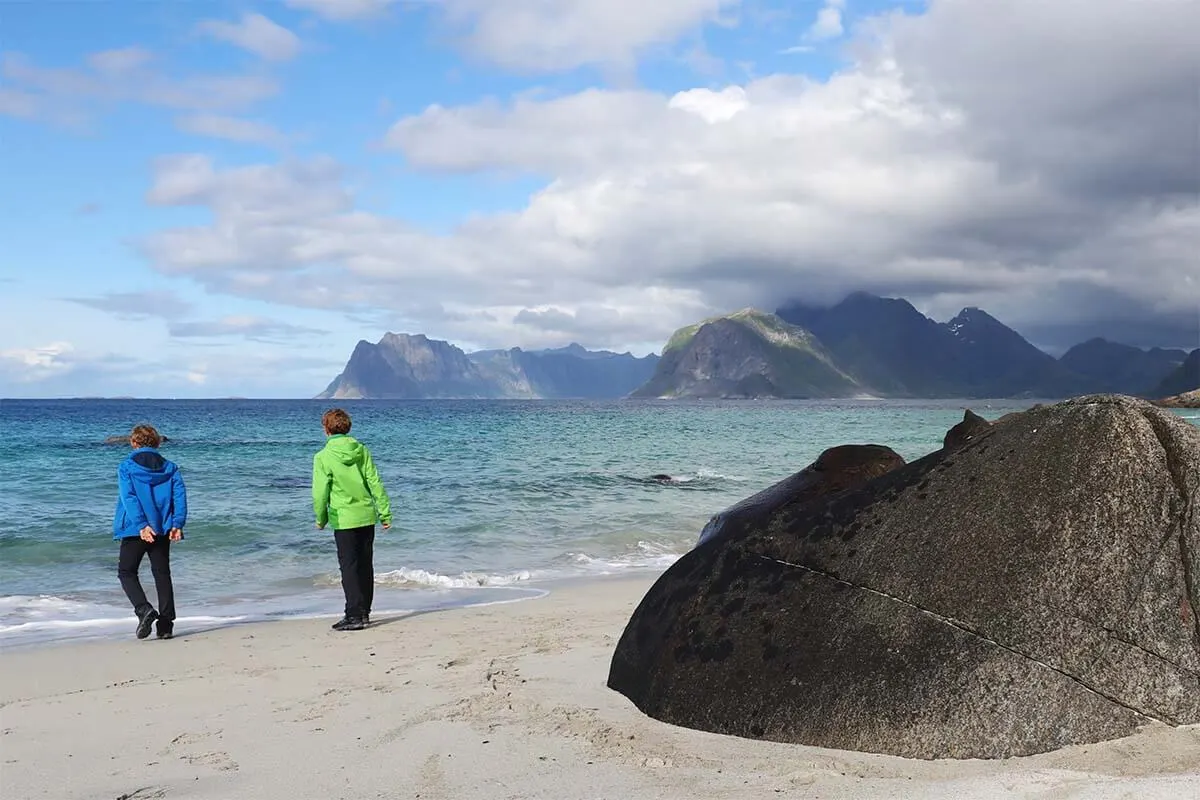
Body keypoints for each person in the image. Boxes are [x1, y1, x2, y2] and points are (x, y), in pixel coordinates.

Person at [312, 408, 392, 631]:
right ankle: (364, 611)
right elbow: (375, 482)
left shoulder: (323, 457)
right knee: (365, 565)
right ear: (347, 428)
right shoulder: (362, 451)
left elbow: (320, 492)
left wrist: (321, 518)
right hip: (366, 515)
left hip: (344, 518)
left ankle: (354, 614)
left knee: (349, 567)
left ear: (326, 430)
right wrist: (384, 513)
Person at [112, 424, 187, 640]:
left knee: (126, 572)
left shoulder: (126, 467)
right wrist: (177, 523)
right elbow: (179, 496)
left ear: (134, 443)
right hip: (163, 526)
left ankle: (144, 610)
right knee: (162, 573)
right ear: (157, 443)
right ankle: (165, 625)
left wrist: (142, 525)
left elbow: (129, 498)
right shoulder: (170, 467)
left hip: (135, 528)